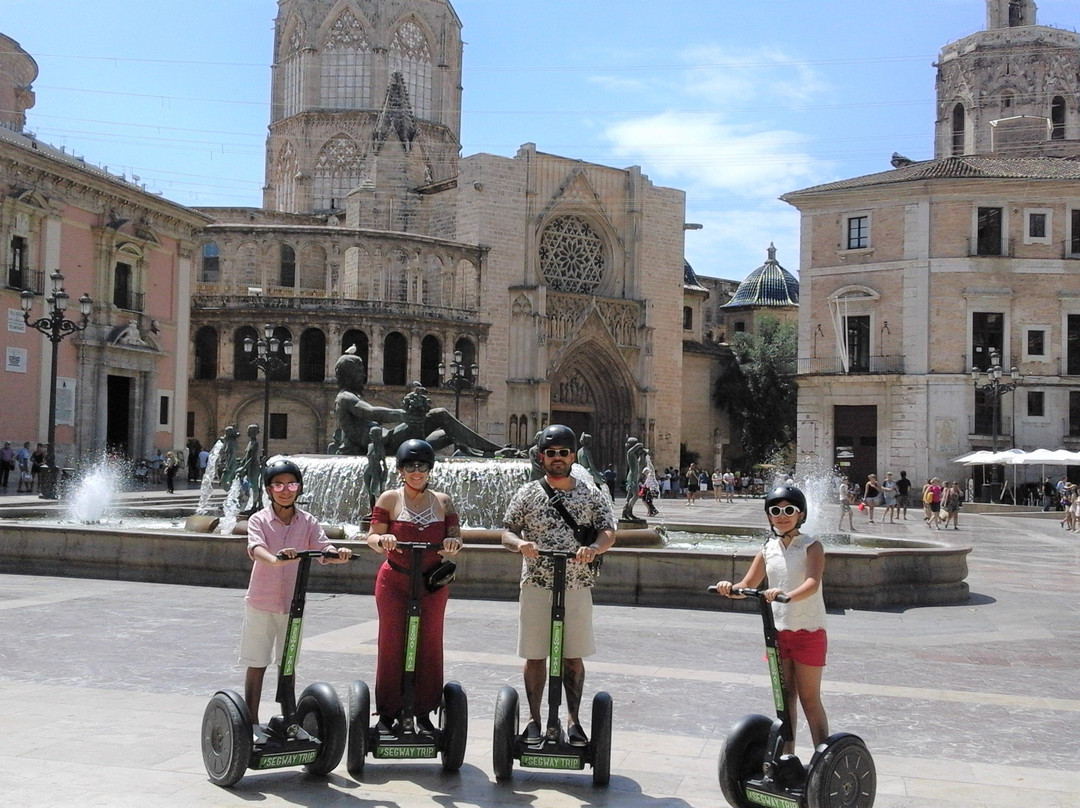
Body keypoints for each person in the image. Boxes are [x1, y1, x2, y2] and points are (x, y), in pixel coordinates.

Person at [502, 424, 616, 747]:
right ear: (541, 457)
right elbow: (506, 531)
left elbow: (607, 530)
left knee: (572, 655)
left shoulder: (589, 492)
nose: (557, 458)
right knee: (535, 655)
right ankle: (534, 719)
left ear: (572, 456)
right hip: (536, 582)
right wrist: (519, 545)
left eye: (563, 453)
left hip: (577, 583)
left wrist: (595, 547)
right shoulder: (527, 493)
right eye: (550, 453)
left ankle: (574, 721)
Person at [713, 485, 828, 753]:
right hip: (778, 633)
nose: (782, 515)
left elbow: (812, 582)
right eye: (775, 511)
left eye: (789, 510)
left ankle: (824, 757)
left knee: (810, 699)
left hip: (808, 631)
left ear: (801, 514)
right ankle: (786, 758)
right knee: (785, 699)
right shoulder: (768, 549)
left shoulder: (812, 546)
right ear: (769, 516)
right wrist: (729, 588)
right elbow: (747, 584)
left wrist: (786, 594)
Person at [240, 458, 352, 724]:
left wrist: (340, 554)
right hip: (261, 602)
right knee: (257, 662)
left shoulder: (308, 521)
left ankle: (289, 719)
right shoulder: (259, 520)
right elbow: (256, 549)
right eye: (278, 485)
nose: (285, 489)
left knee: (287, 663)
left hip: (293, 606)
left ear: (299, 488)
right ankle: (252, 723)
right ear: (268, 489)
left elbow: (324, 549)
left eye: (291, 484)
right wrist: (276, 558)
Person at [365, 439, 462, 735]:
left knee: (430, 644)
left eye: (421, 466)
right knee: (392, 643)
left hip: (432, 583)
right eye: (410, 466)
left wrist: (452, 543)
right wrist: (383, 541)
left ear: (430, 469)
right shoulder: (389, 499)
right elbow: (371, 536)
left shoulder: (443, 501)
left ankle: (424, 712)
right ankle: (387, 713)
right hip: (394, 579)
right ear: (400, 469)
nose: (416, 472)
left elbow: (456, 536)